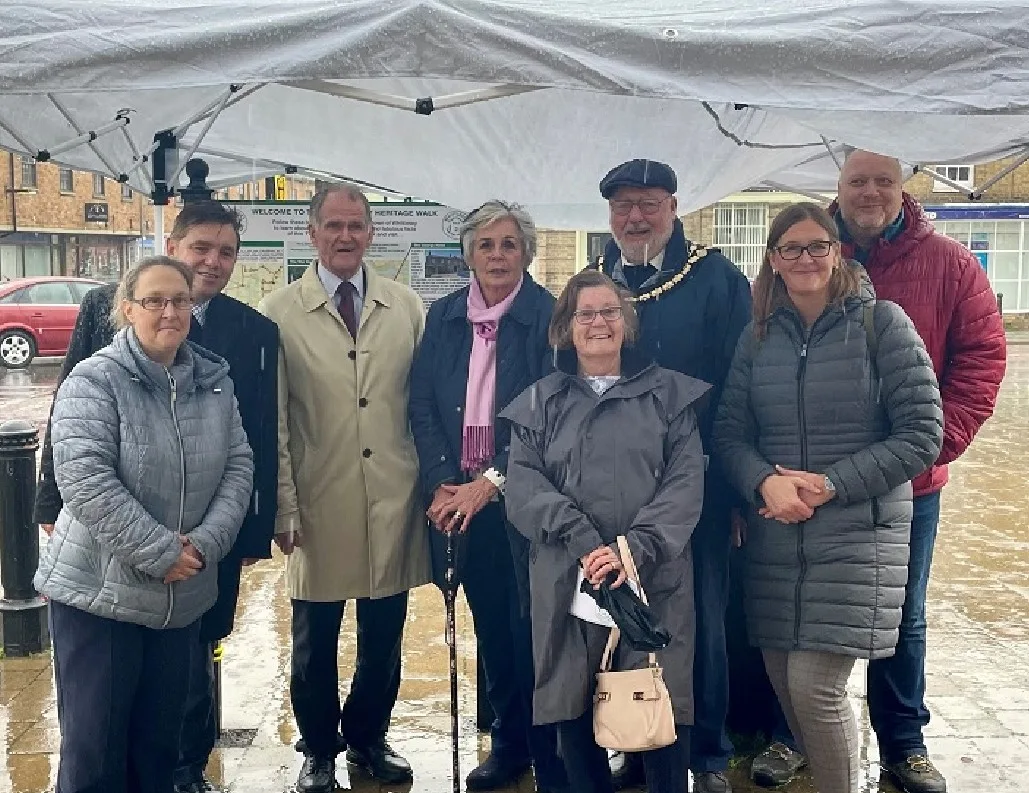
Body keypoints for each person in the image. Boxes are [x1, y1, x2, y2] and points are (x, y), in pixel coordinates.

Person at [749, 152, 1007, 793]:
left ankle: (902, 744)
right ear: (837, 189)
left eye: (882, 182)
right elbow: (740, 419)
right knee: (795, 641)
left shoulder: (946, 262)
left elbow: (979, 362)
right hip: (789, 501)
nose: (869, 192)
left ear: (902, 188)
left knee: (902, 621)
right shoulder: (771, 312)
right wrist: (767, 481)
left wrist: (926, 455)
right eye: (857, 181)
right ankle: (792, 742)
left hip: (904, 488)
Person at [32, 201, 279, 793]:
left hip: (181, 595)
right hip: (103, 593)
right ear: (126, 310)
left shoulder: (213, 377)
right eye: (155, 301)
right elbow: (85, 478)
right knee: (96, 755)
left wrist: (205, 544)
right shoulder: (96, 379)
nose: (170, 311)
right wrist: (159, 551)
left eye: (180, 302)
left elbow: (239, 464)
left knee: (158, 751)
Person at [713, 202, 944, 793]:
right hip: (777, 537)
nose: (806, 258)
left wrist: (829, 483)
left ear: (838, 252)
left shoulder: (883, 324)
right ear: (773, 260)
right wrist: (763, 480)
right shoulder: (758, 336)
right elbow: (731, 435)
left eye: (818, 245)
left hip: (856, 535)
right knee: (787, 686)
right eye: (791, 248)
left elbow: (922, 434)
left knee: (817, 687)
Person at [502, 269, 710, 793]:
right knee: (573, 708)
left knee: (658, 711)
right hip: (570, 581)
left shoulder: (670, 396)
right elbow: (524, 489)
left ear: (628, 322)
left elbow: (685, 487)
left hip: (651, 581)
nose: (599, 323)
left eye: (610, 312)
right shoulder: (538, 403)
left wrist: (632, 549)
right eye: (586, 314)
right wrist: (584, 541)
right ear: (565, 328)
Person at [259, 184, 431, 793]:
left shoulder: (407, 307)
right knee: (314, 637)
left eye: (356, 225)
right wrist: (283, 503)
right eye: (333, 225)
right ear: (311, 232)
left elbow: (424, 406)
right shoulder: (280, 313)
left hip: (393, 492)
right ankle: (319, 749)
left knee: (385, 632)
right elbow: (276, 418)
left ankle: (367, 737)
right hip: (318, 497)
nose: (345, 236)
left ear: (370, 233)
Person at [591, 159, 751, 793]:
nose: (636, 217)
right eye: (624, 206)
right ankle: (637, 743)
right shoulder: (594, 280)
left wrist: (734, 493)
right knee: (624, 616)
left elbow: (739, 391)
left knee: (700, 622)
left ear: (674, 207)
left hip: (698, 489)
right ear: (609, 214)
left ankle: (707, 752)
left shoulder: (716, 279)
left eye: (649, 205)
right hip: (616, 489)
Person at [409, 200, 565, 792]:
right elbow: (422, 403)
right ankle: (508, 744)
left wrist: (488, 482)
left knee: (536, 629)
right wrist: (443, 481)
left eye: (508, 244)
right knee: (493, 630)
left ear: (526, 252)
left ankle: (550, 751)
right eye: (485, 245)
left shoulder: (547, 317)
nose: (497, 255)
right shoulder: (444, 315)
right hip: (462, 500)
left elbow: (547, 415)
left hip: (527, 500)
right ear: (468, 254)